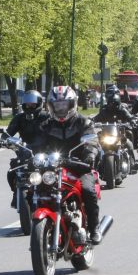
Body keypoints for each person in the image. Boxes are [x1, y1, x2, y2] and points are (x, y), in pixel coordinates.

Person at [36, 86, 103, 245]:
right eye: (57, 105)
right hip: (52, 168)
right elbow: (37, 144)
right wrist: (28, 153)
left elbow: (91, 141)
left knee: (87, 190)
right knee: (34, 188)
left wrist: (90, 155)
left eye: (64, 105)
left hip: (79, 167)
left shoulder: (83, 122)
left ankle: (94, 228)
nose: (60, 109)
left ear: (72, 105)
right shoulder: (46, 125)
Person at [0, 90, 49, 206]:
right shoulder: (19, 118)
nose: (30, 106)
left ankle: (52, 197)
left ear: (39, 103)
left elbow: (55, 132)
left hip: (44, 152)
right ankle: (16, 192)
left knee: (52, 173)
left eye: (32, 104)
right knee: (12, 171)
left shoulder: (47, 117)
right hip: (25, 152)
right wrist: (3, 140)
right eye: (27, 104)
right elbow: (9, 132)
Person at [93, 89, 138, 174]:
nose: (113, 105)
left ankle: (132, 164)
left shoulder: (122, 109)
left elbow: (129, 116)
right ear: (108, 103)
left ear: (118, 103)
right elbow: (97, 118)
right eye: (111, 103)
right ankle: (93, 167)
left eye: (115, 104)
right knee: (95, 146)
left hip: (119, 135)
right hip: (106, 135)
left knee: (129, 144)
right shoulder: (104, 110)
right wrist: (91, 121)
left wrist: (132, 120)